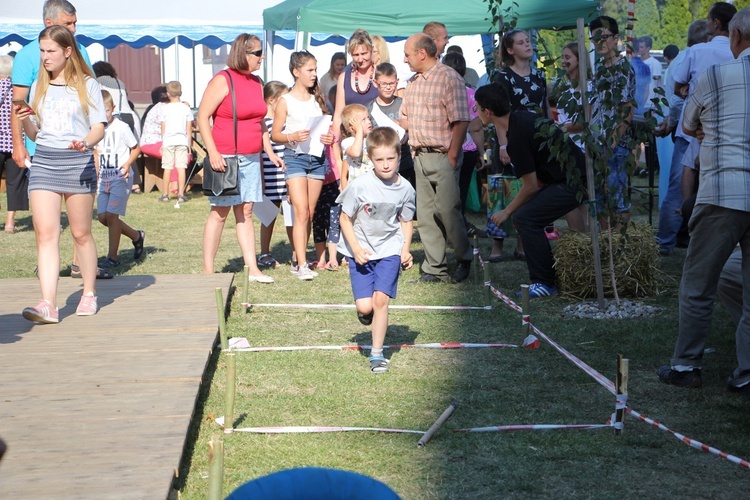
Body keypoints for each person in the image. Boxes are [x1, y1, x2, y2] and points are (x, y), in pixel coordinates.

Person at [658, 7, 750, 391]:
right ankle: (746, 374)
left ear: (734, 37)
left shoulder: (714, 74)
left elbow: (688, 125)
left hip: (722, 192)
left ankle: (686, 366)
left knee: (698, 284)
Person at [14, 25, 106, 323]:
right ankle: (48, 304)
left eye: (51, 51)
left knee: (81, 233)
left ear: (68, 52)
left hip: (77, 163)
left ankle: (89, 293)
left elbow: (98, 127)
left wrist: (86, 143)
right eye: (42, 51)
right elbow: (35, 131)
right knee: (46, 233)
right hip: (44, 162)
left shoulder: (87, 84)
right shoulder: (39, 83)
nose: (45, 57)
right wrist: (25, 120)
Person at [477, 82, 586, 298]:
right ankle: (547, 278)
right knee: (527, 216)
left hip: (572, 182)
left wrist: (506, 212)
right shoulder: (520, 119)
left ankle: (544, 283)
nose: (476, 111)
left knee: (525, 218)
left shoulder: (515, 137)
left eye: (477, 107)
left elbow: (531, 186)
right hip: (571, 178)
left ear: (487, 112)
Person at [656, 2, 737, 255]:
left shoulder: (697, 51)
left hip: (691, 128)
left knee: (678, 187)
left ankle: (665, 242)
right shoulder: (738, 53)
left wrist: (687, 90)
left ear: (715, 23)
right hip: (727, 130)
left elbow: (679, 86)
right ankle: (712, 243)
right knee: (718, 187)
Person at [197, 33, 275, 283]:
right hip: (226, 157)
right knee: (220, 211)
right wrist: (213, 152)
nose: (262, 57)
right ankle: (208, 270)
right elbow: (202, 117)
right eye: (258, 53)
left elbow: (259, 119)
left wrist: (269, 151)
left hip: (252, 157)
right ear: (244, 54)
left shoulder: (256, 82)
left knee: (247, 210)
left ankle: (252, 268)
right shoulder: (223, 80)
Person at [337, 127, 415, 373]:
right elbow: (344, 218)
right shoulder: (359, 185)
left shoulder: (406, 189)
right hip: (361, 251)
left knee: (381, 301)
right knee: (365, 306)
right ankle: (366, 315)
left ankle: (377, 353)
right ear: (370, 159)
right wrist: (356, 248)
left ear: (399, 156)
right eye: (379, 159)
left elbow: (406, 220)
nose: (385, 165)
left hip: (389, 249)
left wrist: (405, 249)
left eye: (390, 159)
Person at [400, 33, 472, 283]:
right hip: (419, 155)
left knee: (449, 211)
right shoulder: (412, 82)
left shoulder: (449, 78)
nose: (405, 59)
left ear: (422, 53)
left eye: (408, 54)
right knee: (427, 214)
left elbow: (461, 120)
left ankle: (464, 258)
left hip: (443, 155)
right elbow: (405, 117)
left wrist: (453, 154)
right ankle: (434, 267)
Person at [271, 50, 335, 280]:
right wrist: (293, 136)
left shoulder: (317, 100)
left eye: (315, 69)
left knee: (308, 213)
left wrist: (329, 138)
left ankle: (299, 257)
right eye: (310, 70)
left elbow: (326, 131)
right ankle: (301, 263)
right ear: (296, 72)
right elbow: (275, 134)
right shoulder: (285, 101)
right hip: (295, 158)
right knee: (300, 211)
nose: (314, 74)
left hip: (317, 160)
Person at [490, 28, 550, 260]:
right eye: (521, 42)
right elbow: (498, 112)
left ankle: (522, 245)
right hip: (510, 140)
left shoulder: (539, 75)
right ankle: (497, 246)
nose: (527, 45)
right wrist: (504, 145)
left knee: (530, 191)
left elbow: (544, 109)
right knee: (502, 192)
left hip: (535, 141)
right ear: (510, 49)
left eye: (528, 41)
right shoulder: (503, 77)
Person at [11, 0, 92, 170]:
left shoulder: (80, 50)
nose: (74, 29)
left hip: (77, 144)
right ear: (49, 23)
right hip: (41, 147)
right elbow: (19, 102)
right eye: (68, 23)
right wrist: (18, 144)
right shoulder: (26, 55)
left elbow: (91, 94)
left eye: (75, 23)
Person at [589, 16, 636, 227]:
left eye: (604, 37)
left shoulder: (623, 68)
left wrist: (614, 140)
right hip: (597, 140)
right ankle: (607, 244)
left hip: (615, 142)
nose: (599, 42)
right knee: (599, 197)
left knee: (616, 195)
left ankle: (620, 246)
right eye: (594, 38)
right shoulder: (599, 68)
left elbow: (627, 109)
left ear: (616, 38)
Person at [94, 90, 145, 268]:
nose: (103, 115)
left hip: (120, 178)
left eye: (106, 111)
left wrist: (128, 164)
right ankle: (136, 236)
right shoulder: (95, 128)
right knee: (102, 217)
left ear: (113, 109)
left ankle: (113, 257)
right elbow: (95, 151)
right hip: (103, 179)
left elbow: (136, 148)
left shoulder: (121, 127)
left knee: (112, 216)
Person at [442, 51, 485, 234]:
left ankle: (447, 227)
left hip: (443, 147)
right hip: (467, 148)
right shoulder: (470, 94)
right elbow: (476, 127)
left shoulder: (440, 92)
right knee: (462, 190)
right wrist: (481, 152)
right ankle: (460, 226)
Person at [556, 41, 591, 233]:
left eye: (567, 57)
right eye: (562, 57)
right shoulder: (566, 88)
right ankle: (580, 238)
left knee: (575, 196)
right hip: (567, 145)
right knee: (573, 197)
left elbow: (584, 121)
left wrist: (561, 127)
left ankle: (582, 237)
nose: (563, 61)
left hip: (582, 147)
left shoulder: (588, 87)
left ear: (580, 60)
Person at [258, 81, 292, 270]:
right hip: (269, 180)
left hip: (286, 179)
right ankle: (264, 253)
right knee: (268, 218)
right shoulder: (265, 125)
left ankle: (296, 252)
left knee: (290, 217)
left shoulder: (285, 124)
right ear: (272, 101)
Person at [366, 62, 414, 190]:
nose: (388, 87)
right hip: (380, 166)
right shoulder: (370, 109)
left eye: (391, 84)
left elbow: (413, 127)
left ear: (397, 82)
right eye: (384, 84)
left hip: (404, 162)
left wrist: (407, 134)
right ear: (376, 83)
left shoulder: (404, 104)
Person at [0, 55, 29, 234]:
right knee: (15, 182)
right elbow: (26, 113)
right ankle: (10, 222)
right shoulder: (17, 91)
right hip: (15, 142)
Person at [333, 30, 379, 137]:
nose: (360, 59)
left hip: (377, 138)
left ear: (372, 51)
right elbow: (338, 114)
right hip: (352, 139)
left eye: (364, 54)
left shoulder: (381, 74)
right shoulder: (344, 77)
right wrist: (335, 144)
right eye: (356, 55)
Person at [158, 81, 193, 204]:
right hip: (182, 140)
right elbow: (189, 128)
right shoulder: (186, 108)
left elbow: (163, 127)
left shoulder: (165, 108)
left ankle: (165, 195)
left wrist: (163, 143)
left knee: (167, 168)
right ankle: (181, 195)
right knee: (181, 168)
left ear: (168, 94)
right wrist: (189, 144)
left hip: (168, 141)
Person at [340, 103, 374, 185]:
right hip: (357, 189)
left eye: (368, 118)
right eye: (363, 120)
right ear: (352, 128)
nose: (369, 122)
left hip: (373, 186)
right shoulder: (348, 142)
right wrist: (359, 130)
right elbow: (355, 153)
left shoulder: (373, 140)